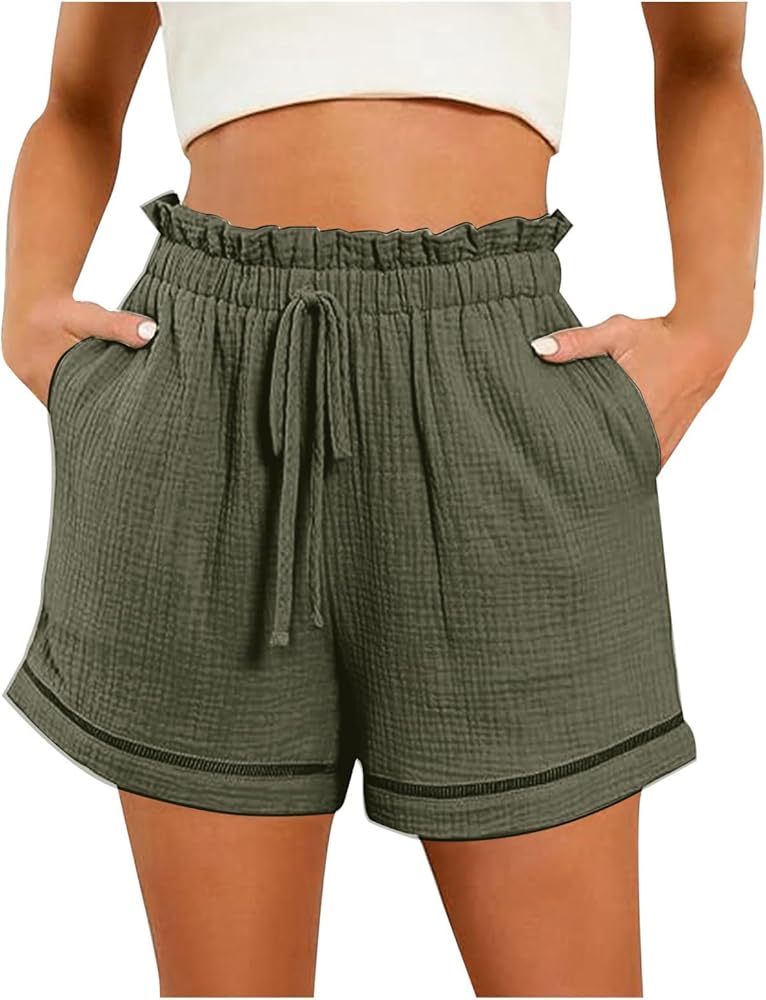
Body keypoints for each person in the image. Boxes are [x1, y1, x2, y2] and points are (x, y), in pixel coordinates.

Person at [1, 3, 761, 997]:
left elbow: (704, 57)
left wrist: (710, 325)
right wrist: (27, 308)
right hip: (207, 395)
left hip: (498, 395)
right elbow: (77, 101)